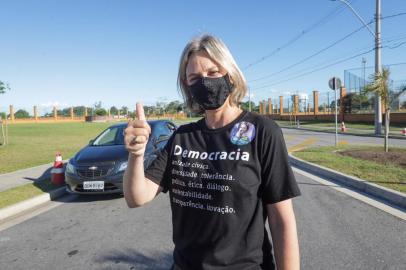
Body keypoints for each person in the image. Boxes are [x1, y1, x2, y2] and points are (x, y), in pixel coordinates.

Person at [123, 34, 301, 270]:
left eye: (213, 72)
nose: (204, 82)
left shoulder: (263, 132)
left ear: (230, 73)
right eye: (194, 78)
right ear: (187, 87)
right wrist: (136, 155)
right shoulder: (181, 137)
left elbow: (281, 220)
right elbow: (137, 197)